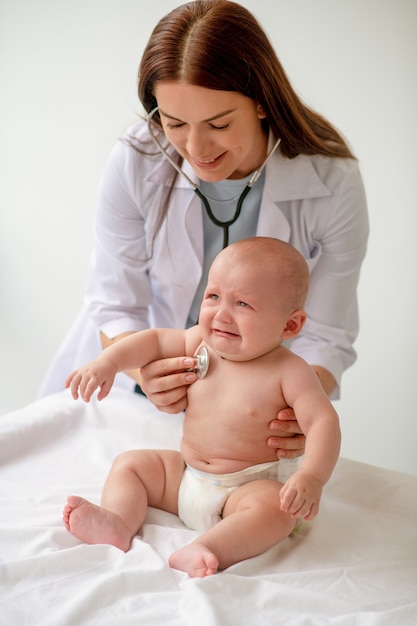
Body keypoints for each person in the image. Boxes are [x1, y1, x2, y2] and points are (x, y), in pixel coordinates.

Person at [40, 0, 368, 460]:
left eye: (218, 124)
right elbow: (114, 304)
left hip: (252, 415)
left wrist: (295, 406)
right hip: (136, 388)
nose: (196, 148)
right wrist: (147, 374)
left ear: (260, 102)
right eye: (174, 123)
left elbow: (326, 333)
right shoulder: (137, 159)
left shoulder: (331, 180)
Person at [63, 237, 341, 578]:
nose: (221, 314)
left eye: (242, 304)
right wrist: (108, 362)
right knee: (130, 465)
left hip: (244, 489)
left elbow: (323, 422)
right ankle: (118, 522)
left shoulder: (290, 372)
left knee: (275, 510)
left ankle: (209, 549)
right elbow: (151, 341)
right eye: (213, 297)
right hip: (184, 476)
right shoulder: (198, 341)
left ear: (290, 325)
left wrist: (312, 476)